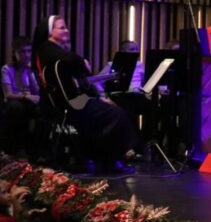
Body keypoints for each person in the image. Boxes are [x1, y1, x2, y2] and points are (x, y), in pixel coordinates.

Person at [33, 15, 138, 173]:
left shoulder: (56, 52)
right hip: (63, 106)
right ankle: (108, 161)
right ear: (49, 32)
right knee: (116, 114)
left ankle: (103, 158)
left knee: (113, 110)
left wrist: (98, 98)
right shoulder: (47, 48)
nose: (66, 30)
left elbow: (80, 81)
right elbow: (72, 60)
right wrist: (82, 62)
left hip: (74, 101)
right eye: (61, 28)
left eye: (66, 27)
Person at [0, 37, 42, 156]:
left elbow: (36, 92)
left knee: (43, 111)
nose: (27, 55)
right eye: (23, 52)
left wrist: (31, 72)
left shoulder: (30, 69)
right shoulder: (7, 69)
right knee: (17, 108)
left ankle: (38, 149)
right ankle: (20, 147)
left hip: (28, 101)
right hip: (14, 101)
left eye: (29, 51)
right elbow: (8, 94)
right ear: (15, 53)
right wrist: (25, 96)